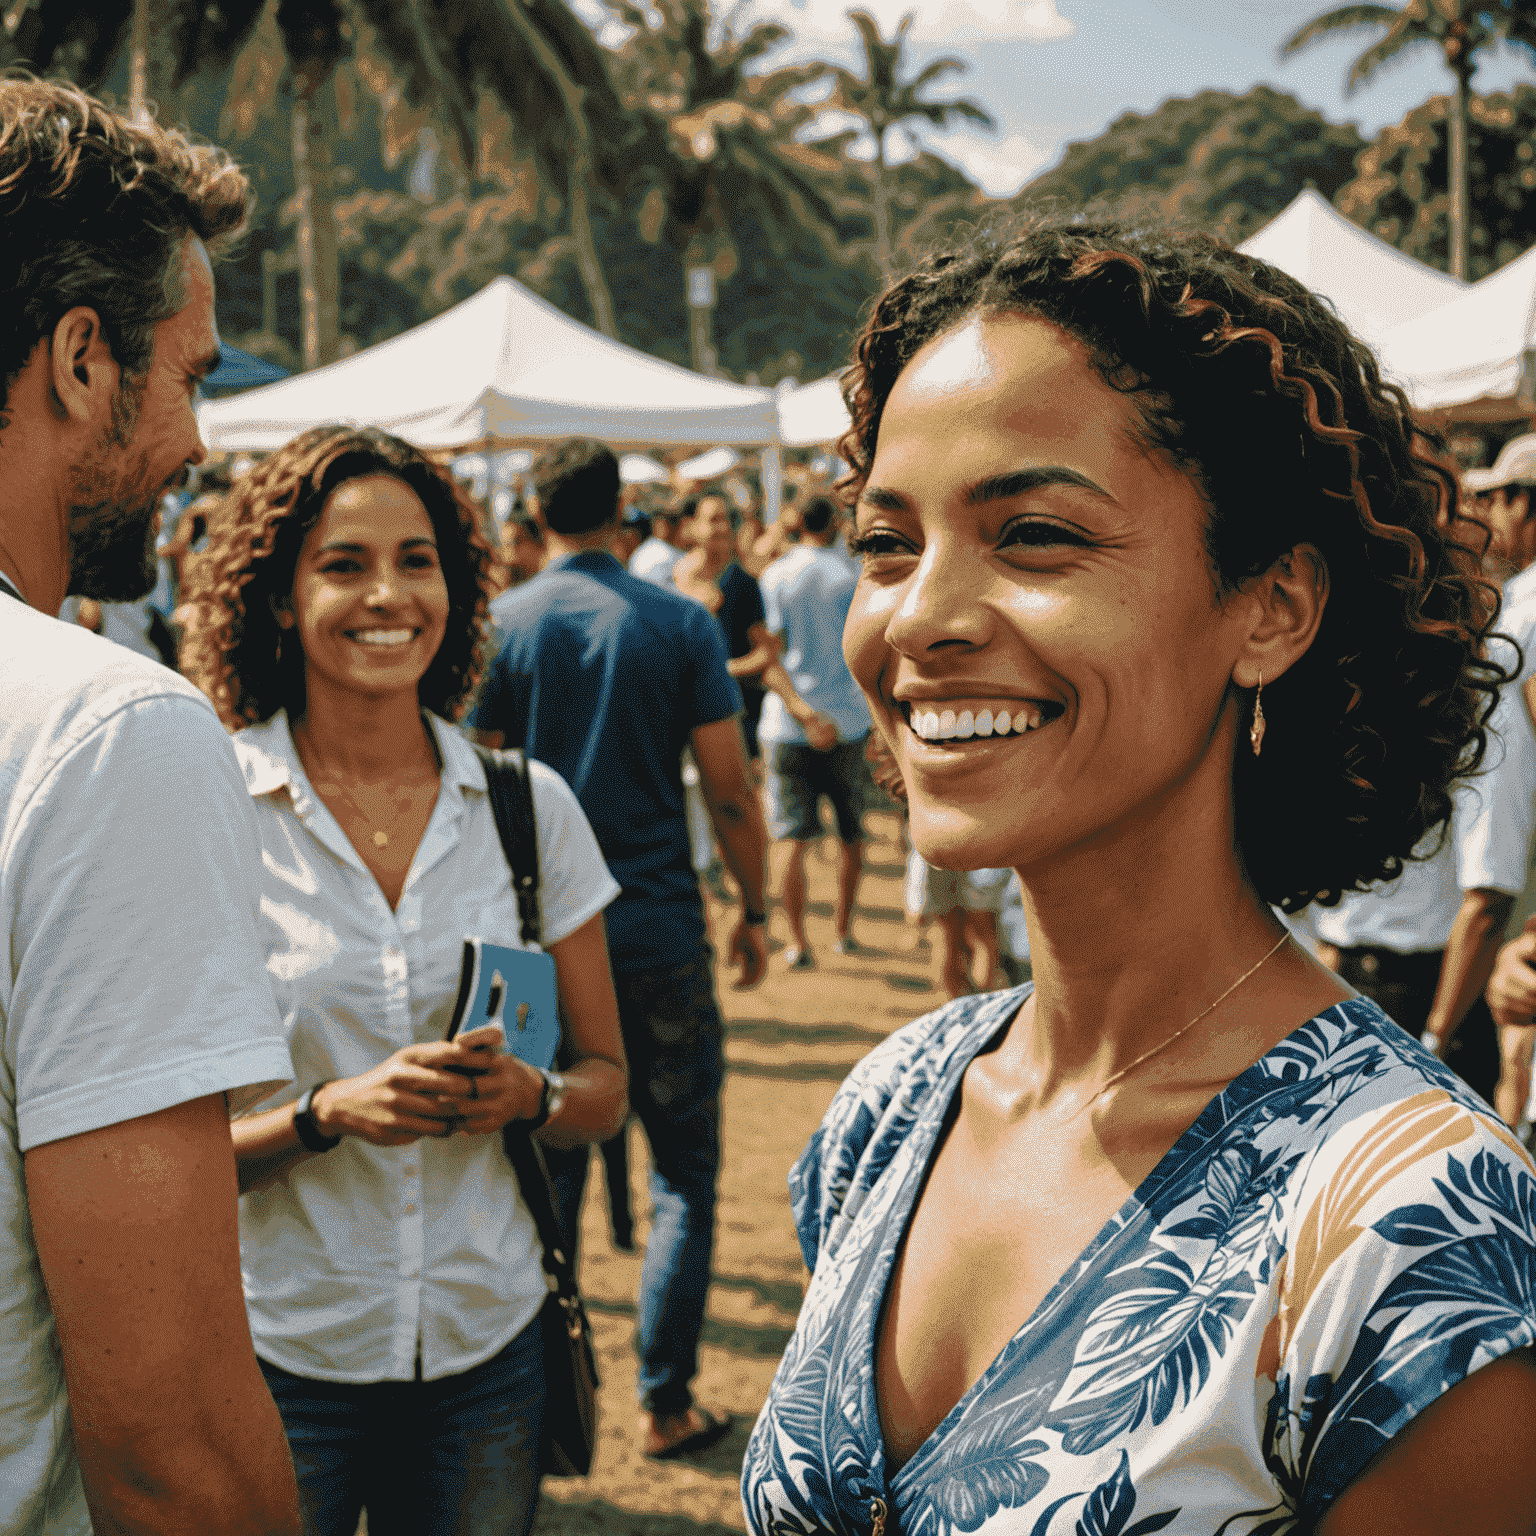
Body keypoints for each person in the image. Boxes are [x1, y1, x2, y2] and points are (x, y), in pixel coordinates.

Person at [743, 218, 1536, 1536]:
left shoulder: (1411, 1237)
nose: (923, 617)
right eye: (889, 542)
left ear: (1272, 606)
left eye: (1037, 535)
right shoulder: (893, 1108)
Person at [179, 426, 629, 1536]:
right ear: (278, 597)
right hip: (286, 1354)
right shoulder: (211, 815)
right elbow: (164, 1155)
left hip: (490, 1347)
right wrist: (327, 1115)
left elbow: (607, 1085)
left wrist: (533, 1099)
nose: (389, 594)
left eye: (417, 559)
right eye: (343, 564)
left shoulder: (530, 809)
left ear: (458, 583)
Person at [0, 78, 302, 1536]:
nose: (194, 442)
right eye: (189, 375)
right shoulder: (99, 728)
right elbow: (168, 1438)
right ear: (77, 360)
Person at [469, 437, 768, 1461]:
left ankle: (544, 1402)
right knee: (686, 1172)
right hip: (657, 926)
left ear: (539, 510)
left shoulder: (500, 627)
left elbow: (467, 784)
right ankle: (663, 1400)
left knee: (549, 1175)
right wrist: (760, 906)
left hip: (533, 941)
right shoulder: (680, 622)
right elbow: (728, 787)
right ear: (623, 510)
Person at [759, 494, 875, 966]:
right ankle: (843, 930)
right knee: (852, 834)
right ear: (833, 524)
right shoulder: (853, 577)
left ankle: (797, 941)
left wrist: (802, 712)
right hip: (847, 720)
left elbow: (769, 657)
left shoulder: (775, 575)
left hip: (788, 723)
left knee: (791, 837)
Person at [671, 492, 837, 761]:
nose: (723, 527)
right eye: (714, 519)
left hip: (734, 715)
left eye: (726, 519)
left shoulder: (743, 583)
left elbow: (767, 653)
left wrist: (723, 669)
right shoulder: (669, 580)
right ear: (691, 526)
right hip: (678, 715)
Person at [628, 497, 690, 584]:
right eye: (660, 520)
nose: (662, 525)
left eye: (672, 519)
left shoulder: (656, 548)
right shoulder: (658, 554)